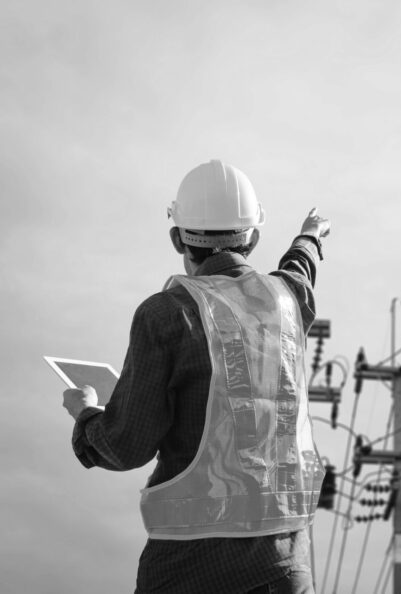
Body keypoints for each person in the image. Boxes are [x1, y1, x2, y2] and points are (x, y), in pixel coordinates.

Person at [62, 159, 331, 594]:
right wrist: (310, 236)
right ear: (254, 236)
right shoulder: (288, 301)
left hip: (189, 567)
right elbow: (299, 270)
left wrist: (87, 415)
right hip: (284, 564)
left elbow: (126, 446)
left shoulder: (164, 316)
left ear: (176, 238)